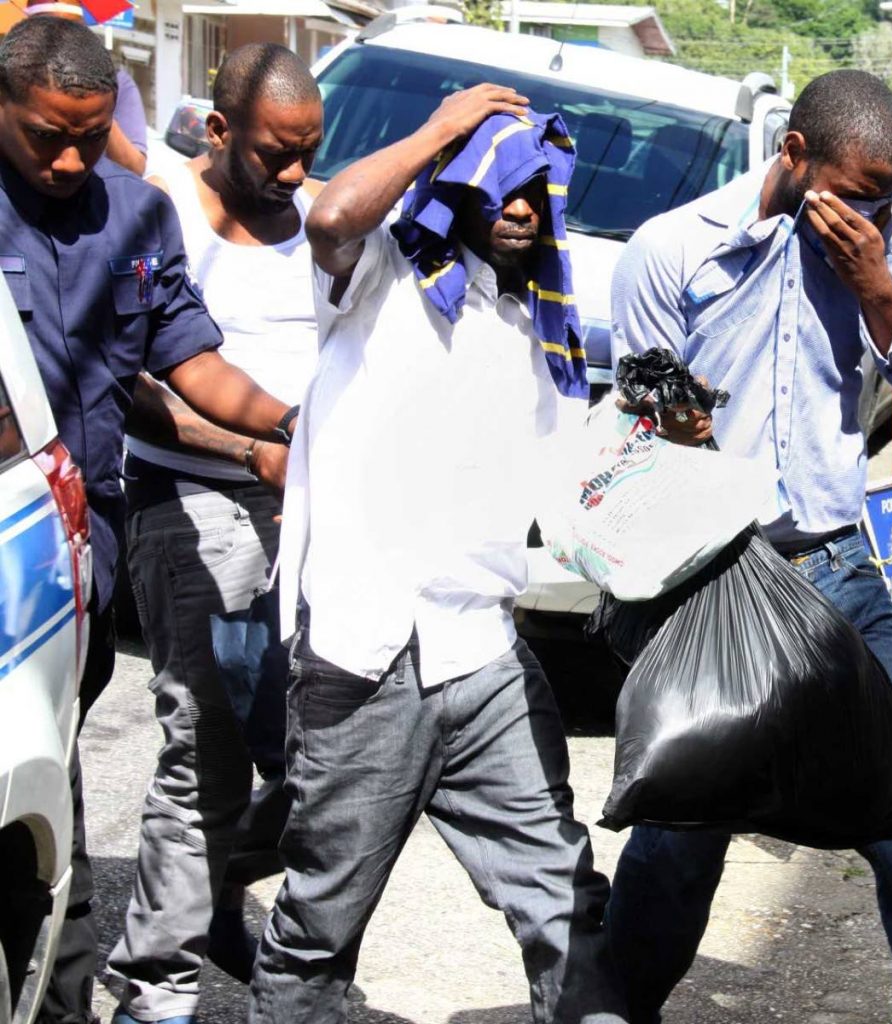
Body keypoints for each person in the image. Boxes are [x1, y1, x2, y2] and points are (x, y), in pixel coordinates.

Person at [608, 69, 892, 1024]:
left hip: (839, 568)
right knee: (685, 826)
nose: (876, 209)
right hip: (714, 575)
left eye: (888, 190)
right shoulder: (675, 249)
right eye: (857, 189)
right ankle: (611, 1006)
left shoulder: (889, 231)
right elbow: (642, 425)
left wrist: (878, 289)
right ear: (794, 155)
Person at [247, 84, 627, 1024]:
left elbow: (571, 497)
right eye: (501, 185)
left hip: (483, 656)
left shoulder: (538, 330)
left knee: (567, 903)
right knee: (318, 930)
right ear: (454, 185)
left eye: (539, 192)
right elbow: (332, 213)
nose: (522, 208)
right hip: (364, 655)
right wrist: (444, 127)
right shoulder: (376, 275)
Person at [0, 17, 298, 1024]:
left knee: (48, 781)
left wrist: (289, 426)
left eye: (89, 135)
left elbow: (192, 361)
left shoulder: (136, 215)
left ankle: (59, 997)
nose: (71, 158)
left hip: (71, 557)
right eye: (48, 136)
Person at [105, 43, 323, 1024]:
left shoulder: (328, 218)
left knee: (340, 752)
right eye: (275, 153)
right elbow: (139, 387)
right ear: (220, 130)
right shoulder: (164, 208)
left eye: (308, 152)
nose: (292, 174)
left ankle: (216, 874)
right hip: (189, 506)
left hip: (313, 515)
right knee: (205, 752)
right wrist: (250, 450)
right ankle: (158, 990)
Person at [25, 0, 148, 174]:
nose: (58, 40)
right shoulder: (11, 81)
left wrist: (97, 105)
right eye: (45, 30)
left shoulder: (118, 83)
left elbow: (133, 169)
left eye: (70, 30)